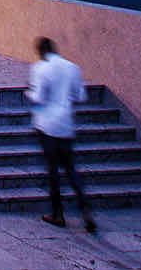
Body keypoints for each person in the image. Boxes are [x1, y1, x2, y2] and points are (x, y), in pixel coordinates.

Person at [27, 37, 97, 232]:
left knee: (53, 171)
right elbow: (80, 96)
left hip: (47, 125)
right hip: (66, 125)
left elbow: (39, 97)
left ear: (40, 51)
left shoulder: (40, 68)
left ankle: (58, 214)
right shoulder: (72, 68)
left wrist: (29, 93)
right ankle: (85, 211)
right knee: (71, 170)